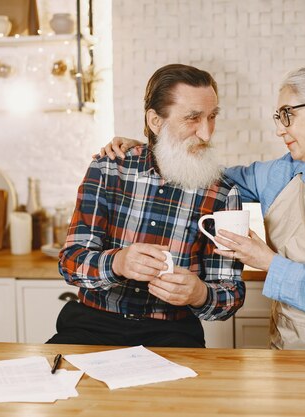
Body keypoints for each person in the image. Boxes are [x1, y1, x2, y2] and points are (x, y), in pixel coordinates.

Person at [100, 66, 305, 351]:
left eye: (288, 115)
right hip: (286, 347)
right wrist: (156, 148)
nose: (280, 129)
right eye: (279, 116)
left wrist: (267, 261)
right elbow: (208, 178)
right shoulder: (285, 172)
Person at [47, 64, 245, 348]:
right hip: (91, 326)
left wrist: (201, 294)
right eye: (193, 118)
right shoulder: (108, 169)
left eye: (212, 117)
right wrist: (118, 262)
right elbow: (70, 263)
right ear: (155, 121)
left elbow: (231, 296)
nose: (206, 133)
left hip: (174, 334)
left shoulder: (223, 193)